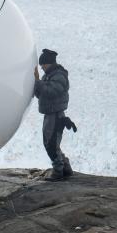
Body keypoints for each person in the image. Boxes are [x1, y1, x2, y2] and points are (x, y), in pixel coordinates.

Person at [34, 48, 73, 181]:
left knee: (50, 143)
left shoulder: (59, 75)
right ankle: (65, 168)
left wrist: (38, 82)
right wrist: (37, 85)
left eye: (43, 64)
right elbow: (42, 94)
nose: (42, 67)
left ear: (50, 63)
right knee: (52, 142)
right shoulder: (49, 75)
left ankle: (58, 172)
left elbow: (51, 91)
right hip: (50, 113)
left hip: (55, 114)